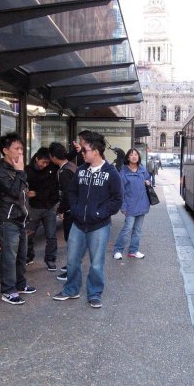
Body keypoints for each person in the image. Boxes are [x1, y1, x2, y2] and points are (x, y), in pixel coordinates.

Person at [53, 132, 123, 308]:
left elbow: (116, 200)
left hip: (99, 226)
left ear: (96, 151)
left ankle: (94, 294)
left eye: (85, 149)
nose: (82, 153)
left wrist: (98, 214)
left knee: (97, 263)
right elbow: (72, 192)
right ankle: (71, 290)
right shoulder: (81, 170)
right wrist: (76, 210)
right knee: (72, 260)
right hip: (78, 223)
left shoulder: (111, 173)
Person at [0, 132, 35, 305]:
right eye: (16, 149)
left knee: (21, 255)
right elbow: (14, 191)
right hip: (7, 220)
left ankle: (20, 284)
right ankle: (8, 290)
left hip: (20, 219)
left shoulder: (17, 170)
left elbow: (23, 193)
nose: (20, 153)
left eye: (22, 149)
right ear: (5, 150)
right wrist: (20, 172)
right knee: (9, 257)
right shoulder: (1, 170)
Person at [113, 148, 151, 260]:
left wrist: (148, 183)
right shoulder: (123, 172)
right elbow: (120, 191)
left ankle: (133, 251)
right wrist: (123, 207)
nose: (134, 156)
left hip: (142, 204)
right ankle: (118, 250)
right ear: (128, 158)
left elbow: (148, 181)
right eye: (131, 155)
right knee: (127, 228)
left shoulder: (142, 170)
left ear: (138, 157)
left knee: (138, 230)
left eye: (136, 155)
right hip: (129, 206)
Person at [25, 147, 59, 271]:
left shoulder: (51, 168)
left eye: (47, 163)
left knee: (51, 235)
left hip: (49, 207)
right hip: (34, 208)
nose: (45, 165)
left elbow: (63, 158)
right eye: (43, 162)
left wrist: (76, 150)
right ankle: (28, 256)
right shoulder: (27, 170)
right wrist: (27, 192)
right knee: (28, 234)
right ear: (37, 159)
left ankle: (50, 259)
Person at [48, 142, 77, 281]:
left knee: (71, 240)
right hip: (74, 208)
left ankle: (71, 270)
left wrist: (61, 210)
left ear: (53, 157)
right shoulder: (71, 165)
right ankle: (70, 265)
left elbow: (67, 194)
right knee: (72, 240)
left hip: (71, 210)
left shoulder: (65, 172)